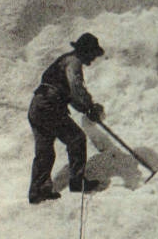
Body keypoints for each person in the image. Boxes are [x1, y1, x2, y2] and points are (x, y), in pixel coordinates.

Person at [27, 33, 106, 203]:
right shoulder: (73, 62)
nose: (92, 60)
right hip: (49, 106)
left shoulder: (64, 61)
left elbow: (70, 96)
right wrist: (89, 107)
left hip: (37, 107)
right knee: (76, 139)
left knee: (45, 151)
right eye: (92, 54)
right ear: (85, 51)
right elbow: (76, 89)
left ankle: (37, 191)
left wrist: (85, 108)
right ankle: (77, 182)